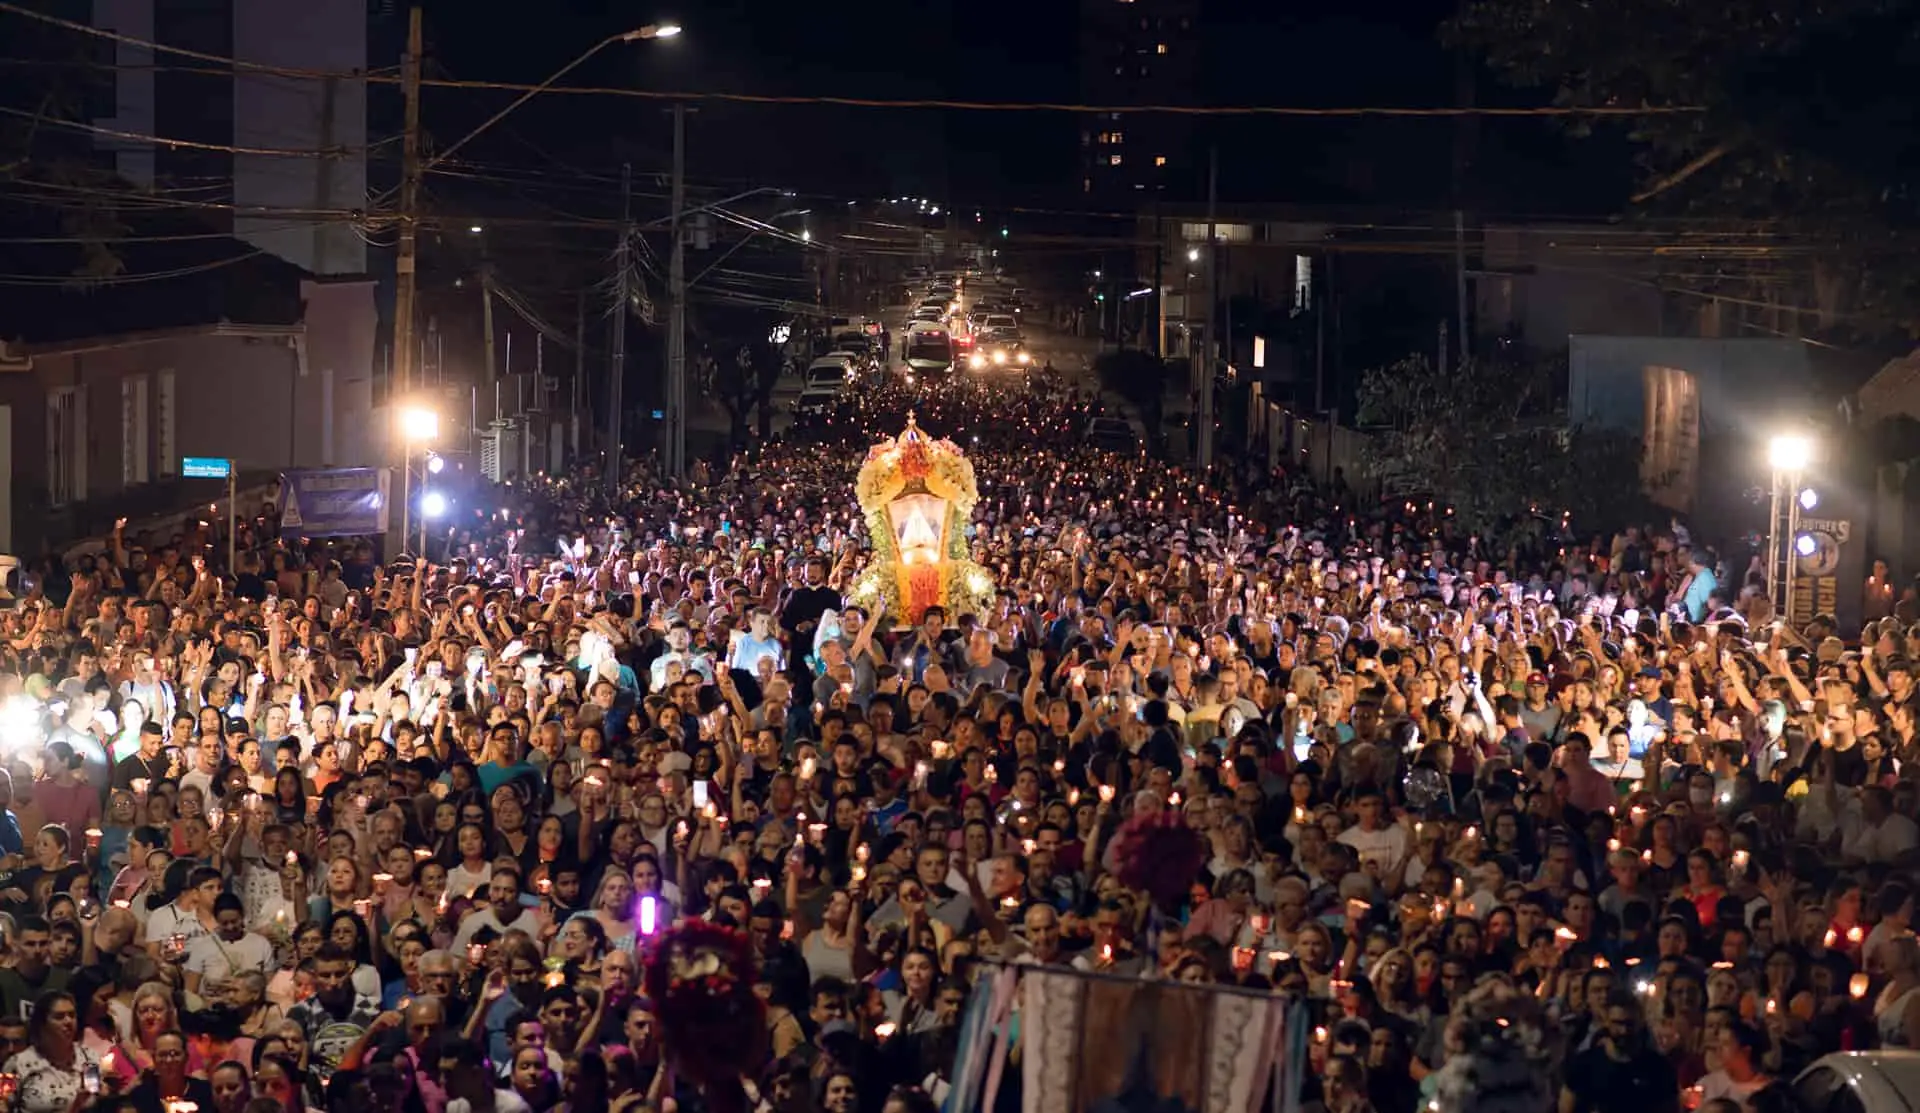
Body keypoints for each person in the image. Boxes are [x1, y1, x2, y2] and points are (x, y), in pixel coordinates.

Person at [0, 991, 103, 1113]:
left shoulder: (89, 1058)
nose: (68, 1021)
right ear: (42, 1023)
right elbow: (2, 1102)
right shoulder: (17, 1064)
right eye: (59, 1017)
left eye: (72, 1015)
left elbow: (96, 1097)